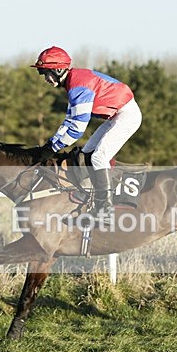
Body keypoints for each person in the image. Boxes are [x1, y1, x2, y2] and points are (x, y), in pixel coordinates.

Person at [31, 46, 142, 221]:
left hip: (127, 116)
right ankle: (94, 200)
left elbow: (76, 129)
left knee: (98, 157)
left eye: (46, 73)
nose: (45, 79)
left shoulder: (78, 86)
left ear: (58, 70)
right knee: (87, 154)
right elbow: (69, 121)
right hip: (117, 115)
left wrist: (53, 147)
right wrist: (50, 144)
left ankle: (105, 209)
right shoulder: (73, 83)